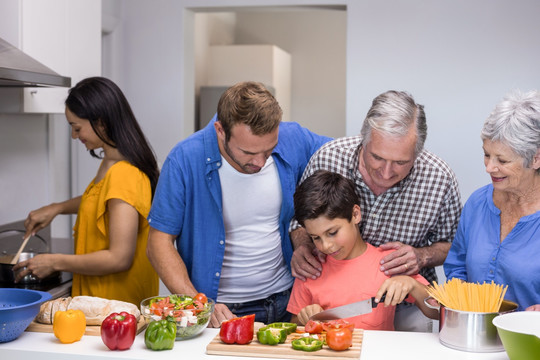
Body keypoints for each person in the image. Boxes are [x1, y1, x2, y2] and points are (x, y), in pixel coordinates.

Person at [146, 81, 331, 327]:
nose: (260, 162)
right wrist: (198, 304)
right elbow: (158, 244)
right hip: (221, 312)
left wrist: (301, 233)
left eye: (269, 150)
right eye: (248, 152)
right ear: (220, 130)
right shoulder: (184, 159)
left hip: (288, 301)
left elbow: (347, 154)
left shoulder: (292, 137)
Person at [289, 90, 462, 331]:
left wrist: (421, 256)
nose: (387, 172)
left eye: (401, 162)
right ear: (364, 139)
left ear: (417, 152)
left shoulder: (439, 178)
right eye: (377, 157)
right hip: (329, 292)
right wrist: (305, 247)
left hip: (409, 303)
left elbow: (454, 247)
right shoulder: (328, 158)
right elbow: (300, 221)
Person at [14, 77, 160, 306]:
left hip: (117, 309)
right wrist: (57, 208)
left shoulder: (125, 173)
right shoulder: (111, 163)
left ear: (100, 122)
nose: (74, 136)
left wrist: (55, 262)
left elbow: (119, 258)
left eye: (76, 127)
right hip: (103, 304)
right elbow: (102, 199)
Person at [288, 170, 438, 329]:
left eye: (332, 233)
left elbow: (437, 311)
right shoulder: (310, 269)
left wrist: (412, 285)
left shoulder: (388, 263)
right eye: (315, 237)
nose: (325, 246)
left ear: (355, 214)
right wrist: (305, 318)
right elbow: (293, 324)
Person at [444, 90, 540, 312]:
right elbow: (457, 267)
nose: (489, 168)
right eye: (486, 154)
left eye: (502, 160)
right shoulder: (478, 203)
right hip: (474, 337)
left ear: (536, 158)